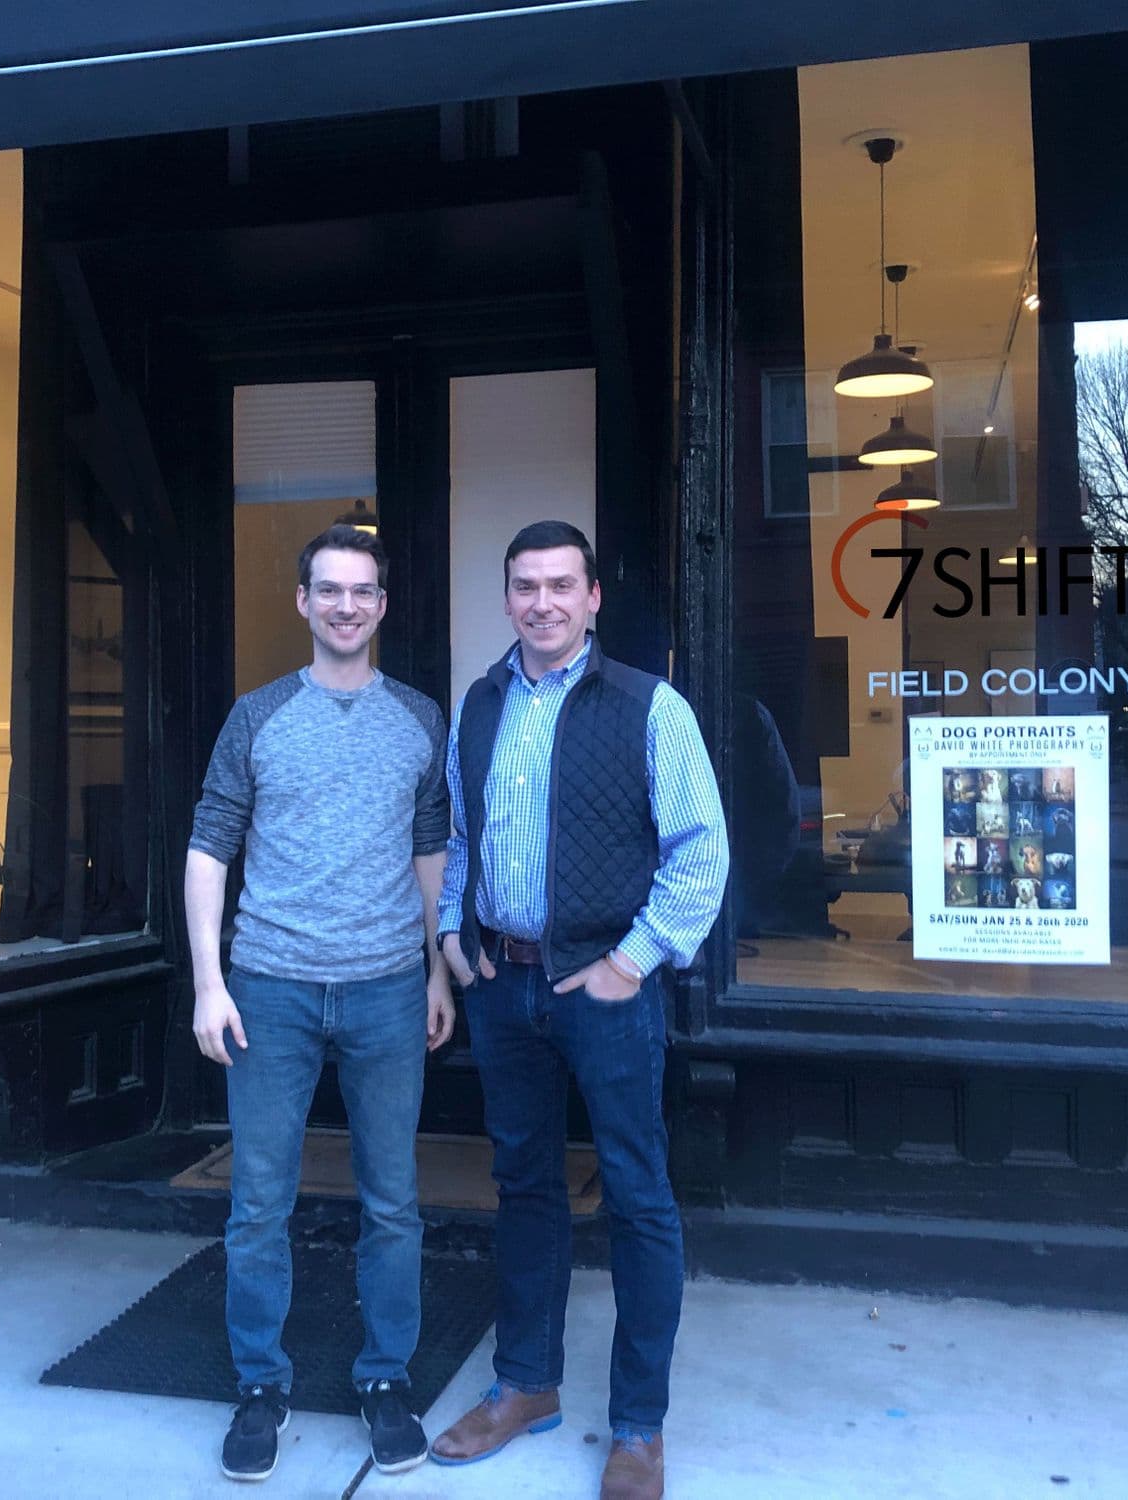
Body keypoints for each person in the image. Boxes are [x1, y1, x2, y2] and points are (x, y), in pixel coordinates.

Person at [430, 520, 728, 1500]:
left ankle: (637, 1428)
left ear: (593, 597)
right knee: (523, 1187)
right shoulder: (477, 705)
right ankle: (526, 1386)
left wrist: (632, 961)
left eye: (562, 584)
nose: (542, 602)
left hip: (606, 990)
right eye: (525, 586)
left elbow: (699, 854)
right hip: (503, 987)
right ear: (505, 596)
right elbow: (462, 838)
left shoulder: (648, 706)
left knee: (638, 1201)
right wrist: (450, 936)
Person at [183, 523, 455, 1484]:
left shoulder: (419, 717)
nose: (347, 606)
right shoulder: (257, 717)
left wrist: (434, 968)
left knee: (395, 1202)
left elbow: (433, 851)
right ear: (302, 602)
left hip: (387, 987)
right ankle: (261, 1385)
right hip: (271, 989)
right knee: (259, 1203)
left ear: (383, 606)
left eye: (364, 591)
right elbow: (210, 844)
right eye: (330, 590)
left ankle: (387, 1382)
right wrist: (210, 982)